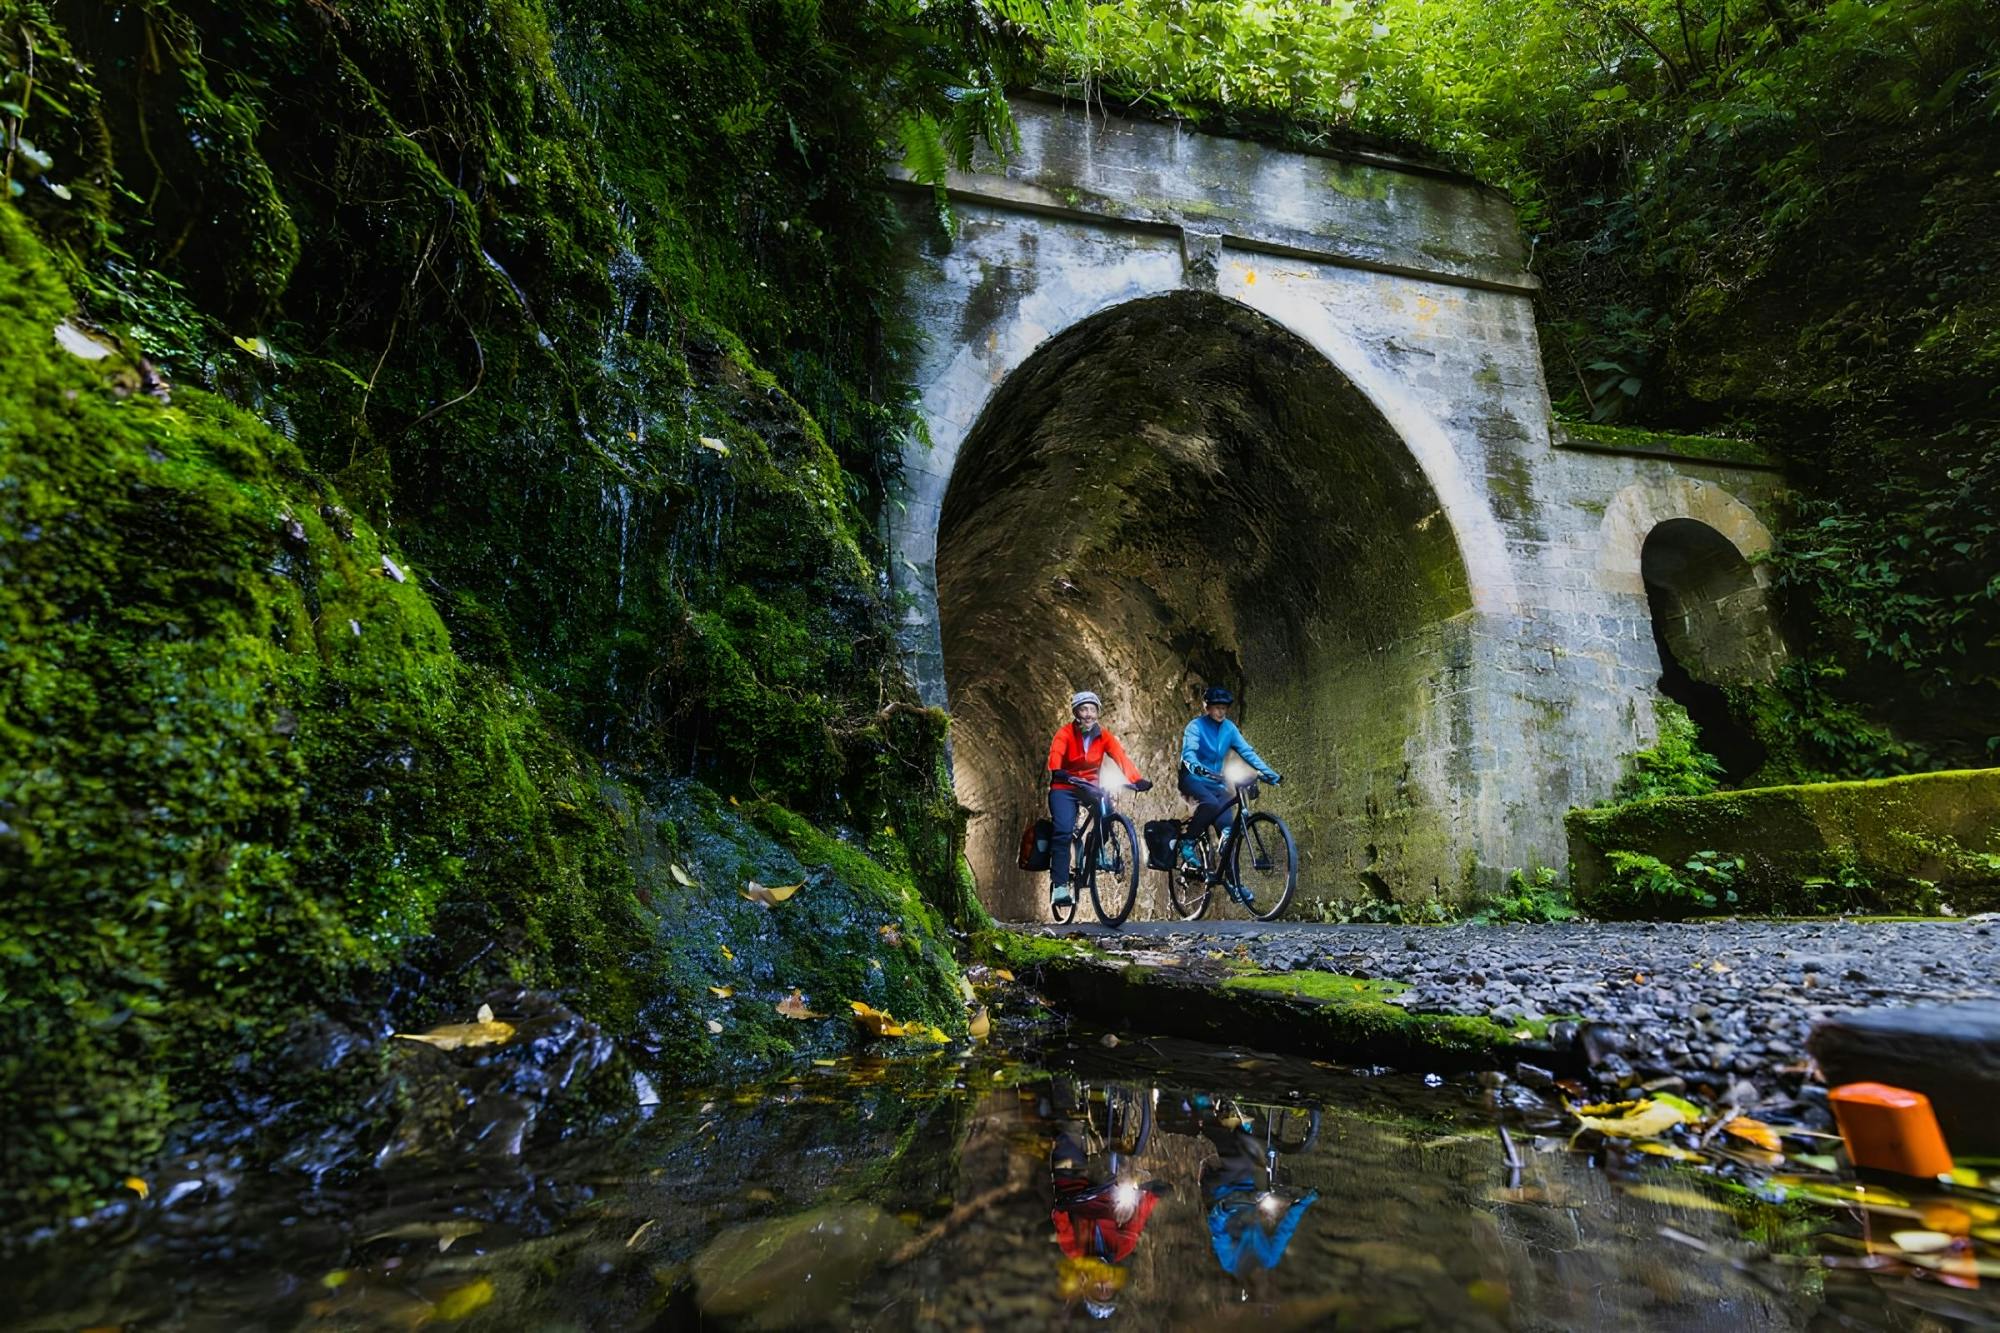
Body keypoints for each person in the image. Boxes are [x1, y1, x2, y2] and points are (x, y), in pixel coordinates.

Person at [1045, 691, 1150, 911]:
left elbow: (1121, 758)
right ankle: (1060, 885)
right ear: (1076, 713)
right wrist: (1059, 771)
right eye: (1084, 710)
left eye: (1093, 710)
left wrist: (1136, 779)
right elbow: (1055, 756)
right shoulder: (1064, 733)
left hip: (1090, 786)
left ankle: (1094, 852)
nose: (1089, 715)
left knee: (1106, 815)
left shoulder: (1104, 736)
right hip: (1065, 787)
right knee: (1063, 831)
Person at [1176, 687, 1281, 896]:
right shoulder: (1195, 727)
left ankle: (1235, 886)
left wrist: (1269, 773)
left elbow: (1247, 752)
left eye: (1224, 708)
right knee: (1211, 805)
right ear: (1207, 707)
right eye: (1217, 708)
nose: (1221, 712)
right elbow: (1189, 753)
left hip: (1216, 783)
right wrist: (1197, 767)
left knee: (1229, 832)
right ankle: (1187, 842)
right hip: (1193, 780)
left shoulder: (1229, 729)